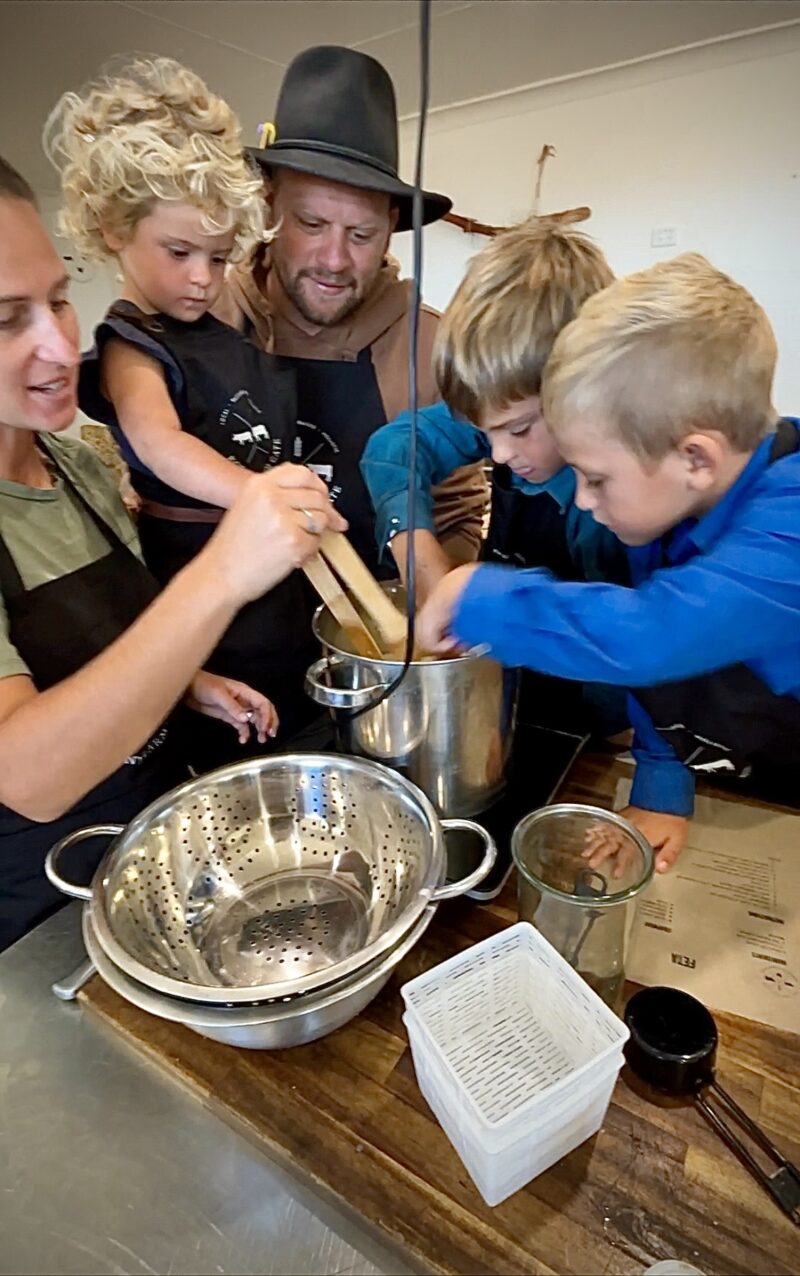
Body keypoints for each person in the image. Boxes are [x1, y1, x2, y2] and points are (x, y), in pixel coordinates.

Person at [0, 155, 344, 950]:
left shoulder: (78, 469)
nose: (61, 347)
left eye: (58, 300)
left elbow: (109, 650)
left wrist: (190, 683)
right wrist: (227, 568)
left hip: (160, 855)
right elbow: (30, 777)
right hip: (47, 926)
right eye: (7, 318)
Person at [417, 254, 800, 871]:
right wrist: (661, 788)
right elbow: (667, 678)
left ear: (695, 458)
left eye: (595, 479)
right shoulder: (669, 503)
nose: (585, 501)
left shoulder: (790, 525)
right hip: (742, 779)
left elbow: (652, 636)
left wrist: (479, 596)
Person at [47, 58, 345, 764]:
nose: (202, 279)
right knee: (239, 748)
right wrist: (257, 493)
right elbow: (157, 441)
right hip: (209, 601)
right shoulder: (132, 344)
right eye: (179, 252)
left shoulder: (222, 331)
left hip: (280, 594)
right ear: (115, 230)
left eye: (217, 258)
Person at [215, 44, 488, 580]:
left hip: (374, 648)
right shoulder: (208, 322)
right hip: (226, 654)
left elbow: (457, 515)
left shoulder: (432, 346)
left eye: (361, 235)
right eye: (312, 225)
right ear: (269, 204)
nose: (335, 260)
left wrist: (419, 618)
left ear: (391, 225)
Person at [362, 217, 629, 734]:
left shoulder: (619, 509)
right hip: (503, 685)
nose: (499, 454)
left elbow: (636, 645)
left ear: (585, 393)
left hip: (596, 712)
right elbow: (393, 447)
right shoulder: (510, 414)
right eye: (484, 432)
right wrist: (419, 558)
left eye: (519, 429)